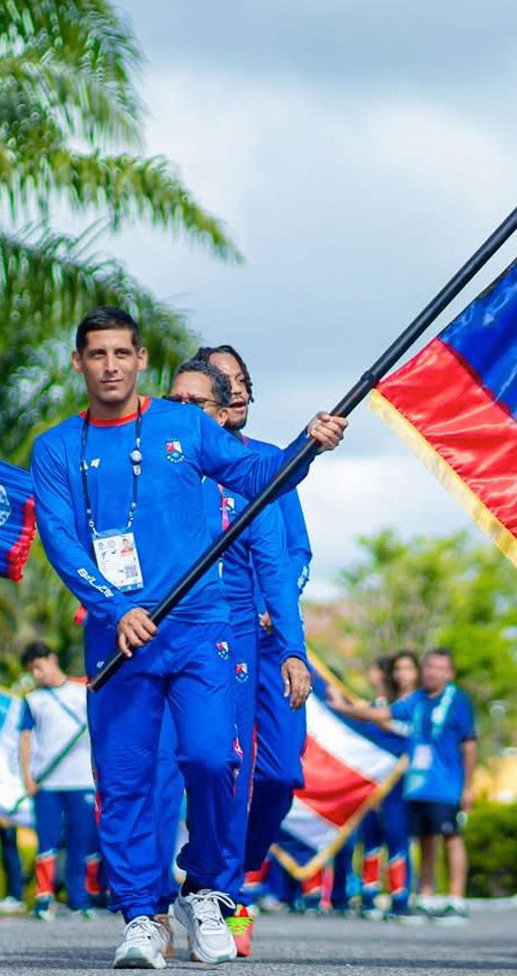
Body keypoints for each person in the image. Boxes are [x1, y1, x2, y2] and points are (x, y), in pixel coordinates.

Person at [29, 307, 346, 969]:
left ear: (140, 359)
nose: (110, 366)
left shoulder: (182, 428)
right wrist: (112, 606)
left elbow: (258, 482)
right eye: (97, 355)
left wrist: (305, 446)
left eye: (122, 353)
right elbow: (59, 539)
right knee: (125, 782)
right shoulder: (57, 447)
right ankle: (142, 915)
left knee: (211, 759)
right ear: (78, 363)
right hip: (120, 638)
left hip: (202, 631)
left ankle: (203, 888)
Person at [195, 346, 313, 939]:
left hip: (274, 641)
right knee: (223, 767)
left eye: (241, 381)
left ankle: (221, 871)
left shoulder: (269, 463)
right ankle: (222, 896)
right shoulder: (188, 463)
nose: (235, 392)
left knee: (279, 774)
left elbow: (297, 554)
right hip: (216, 639)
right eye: (222, 383)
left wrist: (276, 613)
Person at [330, 648, 475, 922]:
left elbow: (469, 745)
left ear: (450, 673)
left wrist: (468, 786)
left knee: (452, 839)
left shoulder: (458, 700)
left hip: (446, 786)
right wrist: (342, 708)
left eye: (440, 668)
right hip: (417, 786)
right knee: (426, 842)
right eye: (429, 667)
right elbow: (381, 714)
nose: (433, 672)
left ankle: (456, 899)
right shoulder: (417, 700)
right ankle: (426, 898)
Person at [18, 639, 97, 920]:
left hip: (82, 780)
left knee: (81, 841)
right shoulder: (32, 700)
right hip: (47, 783)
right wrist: (27, 776)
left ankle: (79, 900)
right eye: (32, 671)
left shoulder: (83, 690)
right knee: (47, 841)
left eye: (38, 667)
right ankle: (43, 899)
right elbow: (24, 740)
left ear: (52, 659)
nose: (36, 675)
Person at [358, 652, 415, 918]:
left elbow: (410, 735)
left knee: (396, 836)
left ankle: (399, 898)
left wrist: (378, 718)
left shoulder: (412, 705)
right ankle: (369, 896)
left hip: (399, 782)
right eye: (397, 669)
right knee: (371, 838)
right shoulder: (376, 704)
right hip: (373, 782)